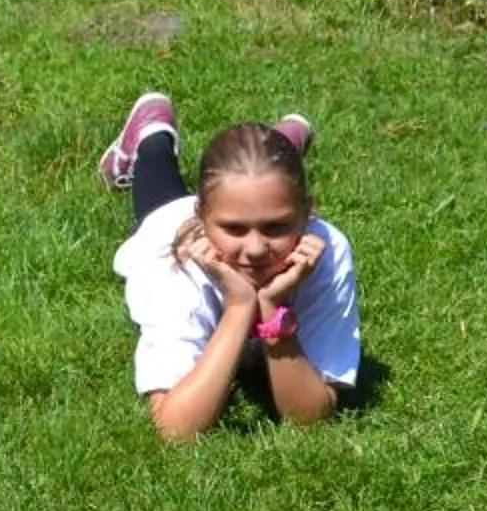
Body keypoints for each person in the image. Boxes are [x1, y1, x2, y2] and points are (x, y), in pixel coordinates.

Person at [100, 94, 360, 444]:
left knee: (260, 175)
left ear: (307, 215)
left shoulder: (325, 250)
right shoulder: (173, 262)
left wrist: (272, 306)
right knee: (158, 195)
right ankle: (152, 129)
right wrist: (239, 306)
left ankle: (280, 146)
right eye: (235, 230)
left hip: (235, 198)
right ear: (203, 219)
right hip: (171, 221)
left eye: (277, 227)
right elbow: (175, 428)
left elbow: (310, 417)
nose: (255, 250)